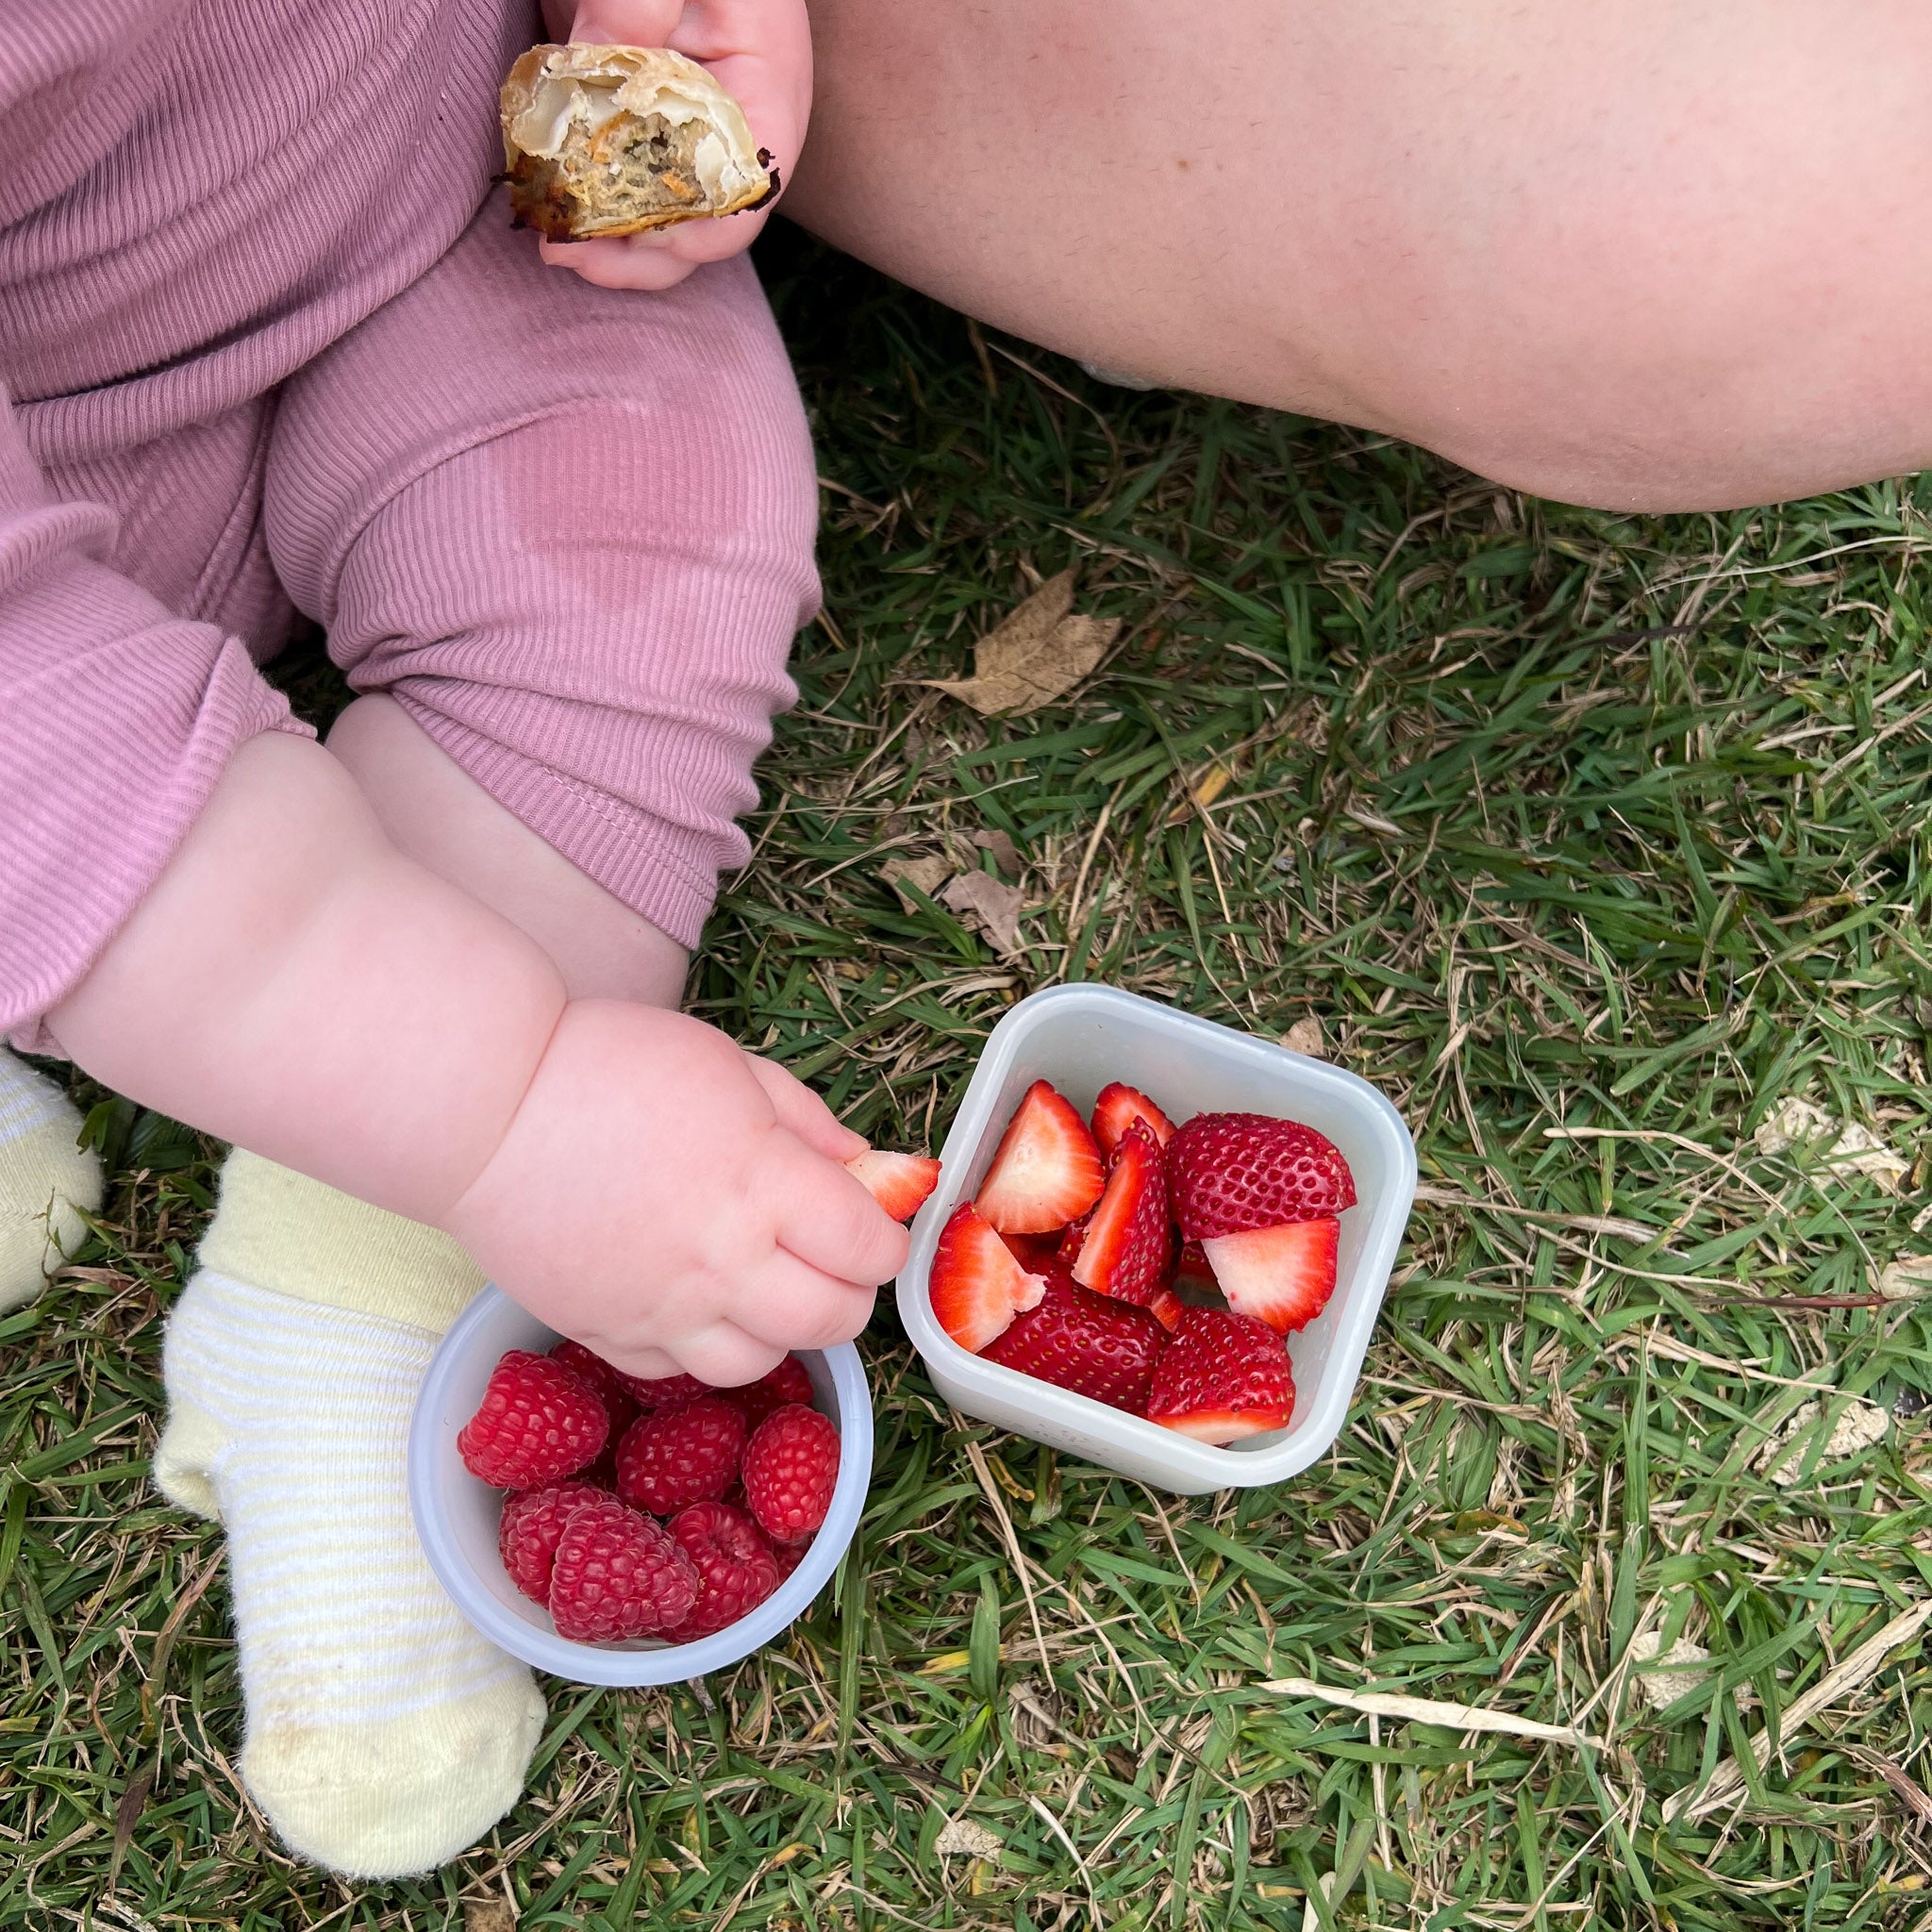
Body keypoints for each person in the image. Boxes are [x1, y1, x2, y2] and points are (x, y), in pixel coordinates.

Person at [0, 0, 898, 1878]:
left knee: (652, 534)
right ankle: (389, 1235)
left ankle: (335, 1291)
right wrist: (510, 1104)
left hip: (434, 225)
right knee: (71, 819)